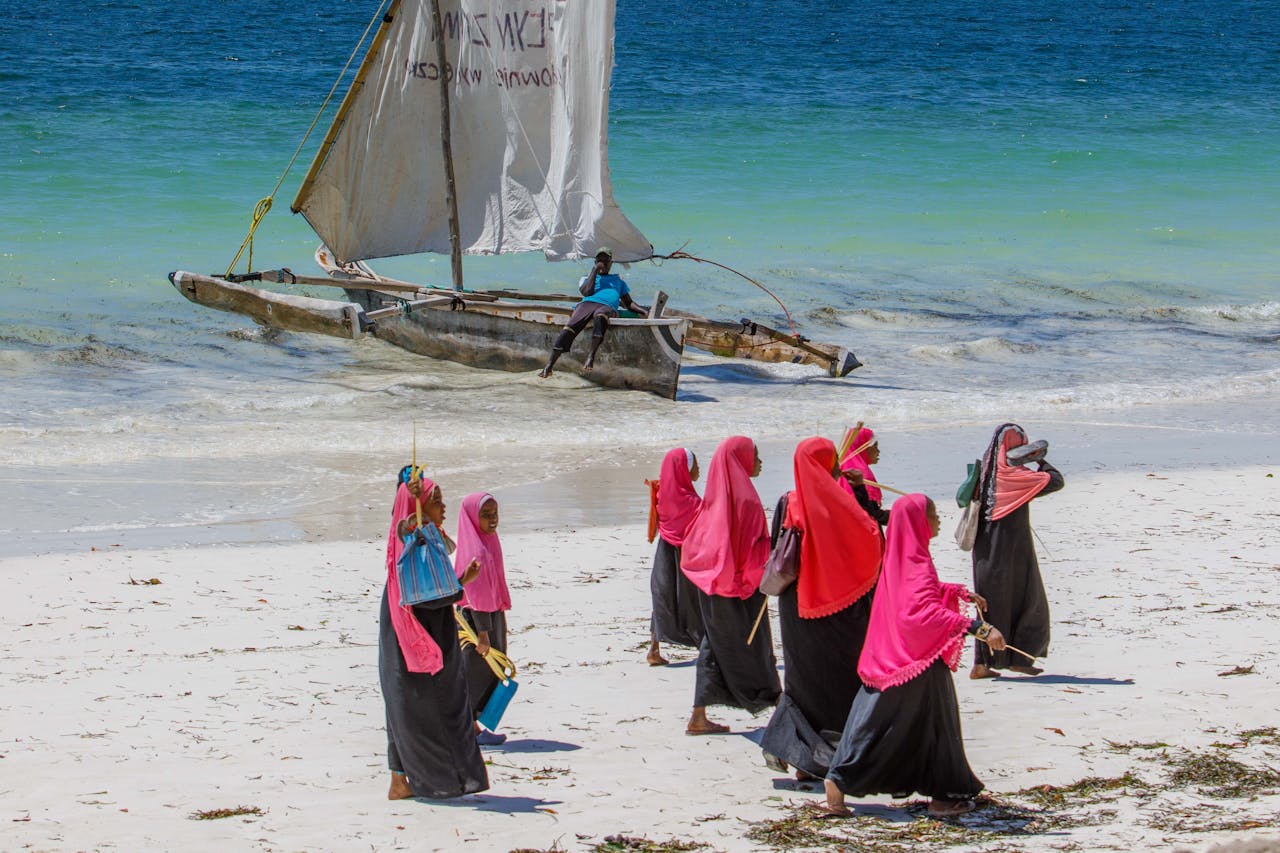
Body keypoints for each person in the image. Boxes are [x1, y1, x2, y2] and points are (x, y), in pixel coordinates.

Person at [822, 494, 1006, 818]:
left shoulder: (903, 555)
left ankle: (839, 783)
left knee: (875, 722)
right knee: (934, 726)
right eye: (933, 515)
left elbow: (918, 595)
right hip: (913, 660)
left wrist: (957, 592)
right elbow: (921, 613)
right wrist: (978, 628)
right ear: (918, 523)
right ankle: (944, 797)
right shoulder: (916, 562)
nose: (937, 521)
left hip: (890, 656)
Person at [760, 437, 883, 780]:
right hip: (838, 605)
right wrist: (858, 492)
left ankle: (801, 758)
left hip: (796, 606)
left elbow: (777, 551)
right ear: (831, 464)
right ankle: (829, 755)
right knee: (840, 679)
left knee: (802, 680)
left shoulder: (788, 502)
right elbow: (872, 536)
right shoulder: (841, 503)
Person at [380, 473, 487, 800]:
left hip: (408, 630)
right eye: (436, 500)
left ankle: (400, 781)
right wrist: (461, 584)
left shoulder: (427, 537)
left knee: (403, 706)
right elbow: (426, 595)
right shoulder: (412, 537)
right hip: (417, 635)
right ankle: (448, 780)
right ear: (418, 507)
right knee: (433, 705)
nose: (444, 506)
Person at [678, 435, 781, 734]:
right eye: (755, 456)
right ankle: (778, 704)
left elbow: (698, 544)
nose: (760, 462)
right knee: (755, 644)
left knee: (714, 644)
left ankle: (699, 714)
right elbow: (752, 555)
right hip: (739, 588)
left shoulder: (712, 498)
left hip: (710, 586)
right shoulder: (746, 501)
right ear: (741, 461)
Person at [969, 423, 1064, 679]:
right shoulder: (1014, 477)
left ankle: (997, 661)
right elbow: (1055, 481)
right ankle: (1000, 660)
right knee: (1022, 597)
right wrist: (1039, 458)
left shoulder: (987, 473)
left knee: (993, 599)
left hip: (988, 545)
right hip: (1009, 544)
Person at [454, 492, 512, 746]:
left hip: (491, 615)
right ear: (472, 518)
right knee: (477, 673)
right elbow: (476, 594)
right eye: (485, 515)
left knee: (490, 672)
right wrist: (484, 633)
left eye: (495, 514)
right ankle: (468, 730)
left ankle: (475, 728)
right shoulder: (475, 548)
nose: (492, 520)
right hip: (478, 621)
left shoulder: (489, 540)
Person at [538, 247, 646, 377]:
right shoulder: (586, 278)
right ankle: (549, 366)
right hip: (586, 304)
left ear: (611, 262)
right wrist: (594, 271)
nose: (603, 263)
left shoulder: (618, 281)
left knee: (600, 316)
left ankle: (591, 356)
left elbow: (628, 303)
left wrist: (643, 311)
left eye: (606, 260)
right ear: (595, 262)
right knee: (570, 327)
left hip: (607, 306)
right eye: (600, 260)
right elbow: (586, 292)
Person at [646, 447, 706, 666]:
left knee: (662, 597)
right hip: (688, 556)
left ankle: (654, 648)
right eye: (695, 465)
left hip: (665, 551)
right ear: (684, 469)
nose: (698, 468)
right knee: (694, 601)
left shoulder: (662, 495)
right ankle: (705, 648)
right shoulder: (692, 502)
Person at [839, 426, 890, 529]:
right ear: (862, 447)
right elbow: (870, 513)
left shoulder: (840, 468)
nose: (878, 451)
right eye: (875, 447)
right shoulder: (861, 474)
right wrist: (897, 515)